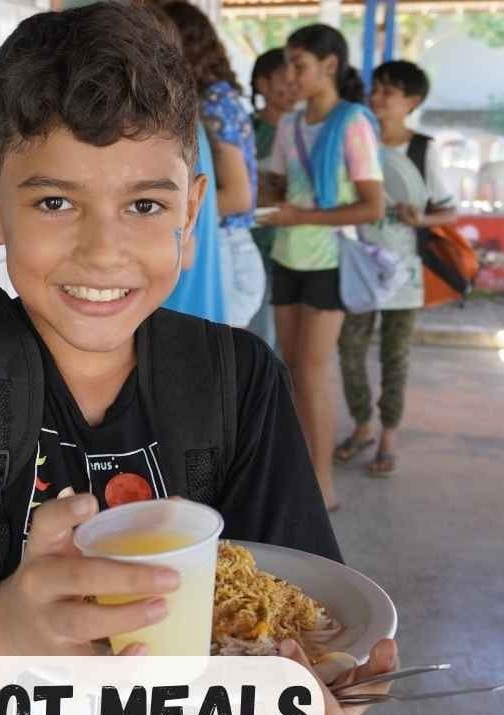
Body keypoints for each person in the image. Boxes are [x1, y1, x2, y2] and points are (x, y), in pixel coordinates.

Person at [0, 5, 396, 715]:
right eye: (54, 202)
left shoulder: (238, 378)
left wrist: (322, 711)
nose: (102, 250)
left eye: (143, 206)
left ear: (189, 209)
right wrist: (9, 619)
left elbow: (314, 640)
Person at [258, 24, 385, 511]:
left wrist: (298, 214)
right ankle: (304, 473)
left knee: (311, 373)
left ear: (329, 66)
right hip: (288, 254)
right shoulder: (290, 124)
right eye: (288, 64)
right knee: (292, 372)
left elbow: (372, 206)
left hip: (330, 260)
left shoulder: (354, 122)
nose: (290, 74)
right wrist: (266, 194)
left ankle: (322, 483)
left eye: (299, 64)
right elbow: (279, 184)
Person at [335, 60, 456, 476]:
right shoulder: (357, 140)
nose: (378, 97)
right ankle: (362, 424)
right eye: (378, 88)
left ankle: (388, 433)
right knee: (349, 351)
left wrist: (419, 220)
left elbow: (449, 210)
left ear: (412, 101)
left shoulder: (423, 149)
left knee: (395, 356)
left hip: (406, 273)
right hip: (359, 268)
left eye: (390, 91)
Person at [162, 1, 265, 329]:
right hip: (221, 248)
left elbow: (238, 196)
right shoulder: (213, 99)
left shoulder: (212, 103)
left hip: (225, 252)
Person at [248, 48, 296, 351]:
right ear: (262, 84)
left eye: (296, 79)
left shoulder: (306, 132)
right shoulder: (246, 129)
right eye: (284, 80)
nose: (292, 87)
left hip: (297, 249)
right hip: (255, 246)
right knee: (260, 337)